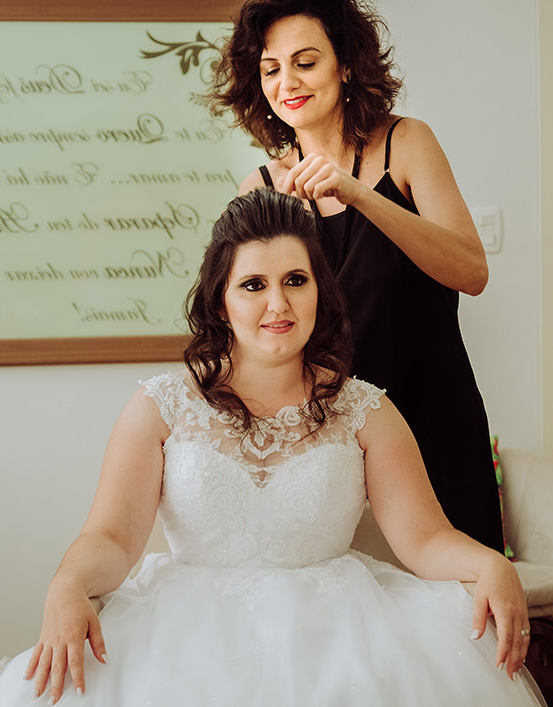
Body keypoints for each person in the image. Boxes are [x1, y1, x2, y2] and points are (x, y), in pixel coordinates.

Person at [0, 189, 545, 706]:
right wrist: (69, 584)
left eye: (295, 280)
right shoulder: (160, 406)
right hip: (183, 637)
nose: (277, 303)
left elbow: (424, 539)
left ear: (320, 292)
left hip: (339, 633)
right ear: (221, 301)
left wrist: (491, 564)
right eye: (254, 285)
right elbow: (110, 537)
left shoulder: (367, 410)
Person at [207, 0, 506, 553]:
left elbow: (471, 270)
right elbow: (238, 325)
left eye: (305, 61)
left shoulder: (407, 143)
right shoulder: (261, 187)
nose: (286, 82)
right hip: (325, 446)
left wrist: (358, 194)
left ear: (345, 64)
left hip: (432, 420)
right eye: (271, 69)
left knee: (451, 619)